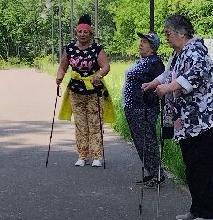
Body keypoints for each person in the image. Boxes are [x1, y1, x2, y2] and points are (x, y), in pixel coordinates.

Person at [142, 13, 213, 220]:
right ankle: (196, 209)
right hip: (190, 122)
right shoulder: (178, 54)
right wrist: (153, 83)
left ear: (180, 33)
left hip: (206, 120)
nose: (166, 37)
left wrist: (168, 88)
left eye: (168, 33)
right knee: (192, 166)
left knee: (201, 166)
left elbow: (195, 76)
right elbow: (169, 74)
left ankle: (208, 214)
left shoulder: (196, 50)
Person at [56, 14, 110, 167]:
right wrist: (59, 77)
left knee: (95, 123)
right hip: (76, 91)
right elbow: (63, 67)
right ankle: (82, 155)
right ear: (76, 33)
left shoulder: (96, 49)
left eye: (85, 32)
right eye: (80, 32)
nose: (82, 34)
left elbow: (106, 66)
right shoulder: (70, 49)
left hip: (94, 91)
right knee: (80, 124)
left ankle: (97, 156)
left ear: (90, 33)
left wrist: (98, 75)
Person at [122, 31, 165, 184]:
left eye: (145, 42)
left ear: (152, 47)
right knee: (140, 142)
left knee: (147, 141)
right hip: (133, 107)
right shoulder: (142, 61)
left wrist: (151, 100)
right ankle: (152, 172)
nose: (140, 44)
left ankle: (158, 175)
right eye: (141, 41)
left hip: (144, 108)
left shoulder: (155, 63)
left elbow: (162, 83)